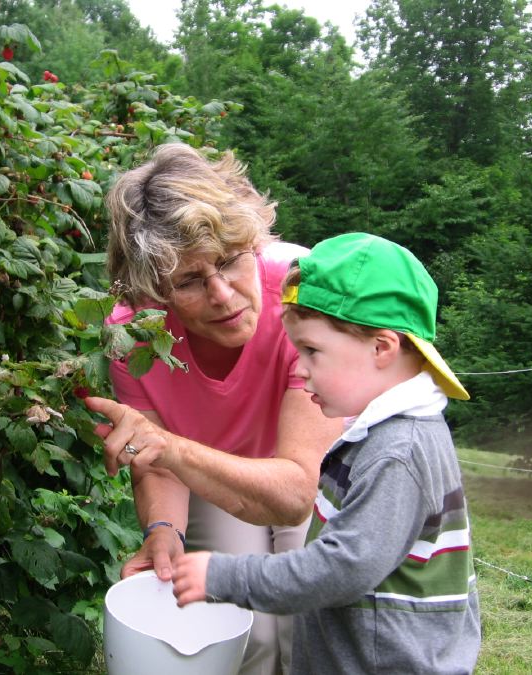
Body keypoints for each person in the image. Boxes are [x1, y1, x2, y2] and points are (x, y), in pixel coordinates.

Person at [171, 232, 482, 674]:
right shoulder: (380, 433)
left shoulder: (399, 452)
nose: (298, 368)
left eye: (312, 351)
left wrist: (223, 576)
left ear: (381, 348)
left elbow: (342, 568)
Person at [84, 143, 342, 675]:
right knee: (243, 630)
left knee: (307, 619)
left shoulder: (305, 292)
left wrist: (171, 449)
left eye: (229, 261)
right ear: (156, 291)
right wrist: (164, 533)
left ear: (253, 241)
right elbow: (158, 461)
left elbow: (296, 494)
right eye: (189, 281)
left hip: (313, 462)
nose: (223, 295)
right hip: (214, 468)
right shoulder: (134, 336)